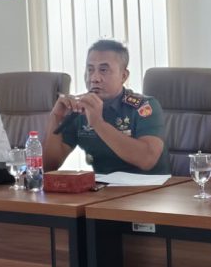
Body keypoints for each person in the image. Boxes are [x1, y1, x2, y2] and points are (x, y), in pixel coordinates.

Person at [43, 40, 170, 174]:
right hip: (101, 186)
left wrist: (98, 123)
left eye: (103, 70)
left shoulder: (144, 106)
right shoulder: (79, 110)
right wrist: (55, 117)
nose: (94, 78)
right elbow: (48, 166)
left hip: (148, 185)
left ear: (123, 76)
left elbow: (147, 159)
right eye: (90, 70)